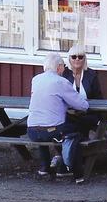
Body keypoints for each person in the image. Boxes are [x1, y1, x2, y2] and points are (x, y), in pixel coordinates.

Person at [27, 52, 89, 184]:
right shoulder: (61, 81)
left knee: (43, 125)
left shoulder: (36, 79)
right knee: (76, 133)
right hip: (52, 131)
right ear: (59, 67)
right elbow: (82, 105)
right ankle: (72, 172)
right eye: (64, 66)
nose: (64, 69)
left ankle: (44, 167)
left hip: (32, 131)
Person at [60, 45, 103, 136]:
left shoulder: (91, 74)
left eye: (80, 57)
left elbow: (98, 97)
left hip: (88, 113)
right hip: (67, 114)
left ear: (84, 59)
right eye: (74, 57)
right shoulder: (64, 74)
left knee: (80, 124)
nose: (77, 59)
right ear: (69, 59)